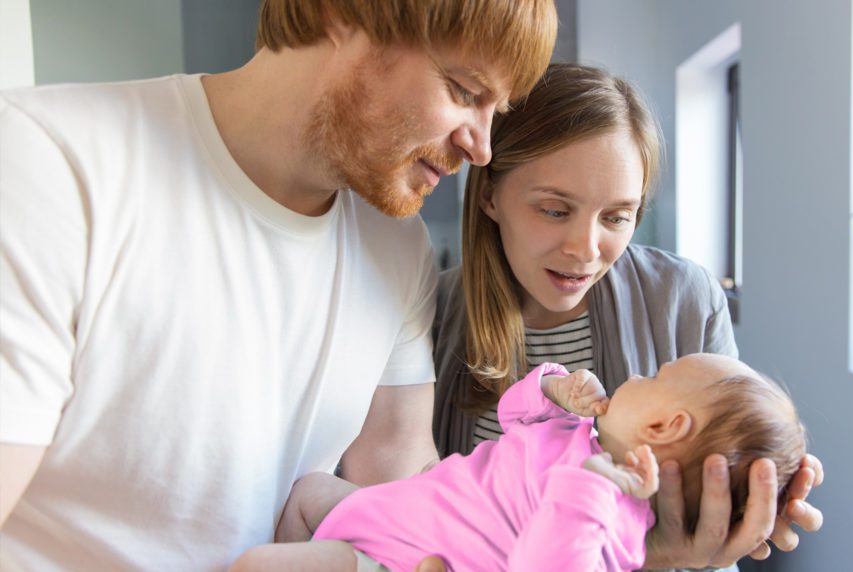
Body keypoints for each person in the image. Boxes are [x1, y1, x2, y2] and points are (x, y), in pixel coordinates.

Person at [0, 1, 557, 569]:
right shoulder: (46, 163)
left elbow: (402, 476)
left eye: (498, 109)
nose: (482, 147)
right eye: (465, 91)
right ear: (340, 15)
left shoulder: (394, 244)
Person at [431, 62, 825, 569]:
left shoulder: (685, 301)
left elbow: (707, 526)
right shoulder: (431, 315)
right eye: (554, 210)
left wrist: (742, 500)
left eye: (617, 217)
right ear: (489, 195)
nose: (585, 249)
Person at [230, 353, 807, 571]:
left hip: (399, 560)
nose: (635, 375)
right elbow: (512, 417)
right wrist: (553, 389)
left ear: (663, 426)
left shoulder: (616, 527)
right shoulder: (583, 435)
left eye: (654, 377)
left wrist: (594, 488)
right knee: (309, 490)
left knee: (257, 566)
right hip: (390, 511)